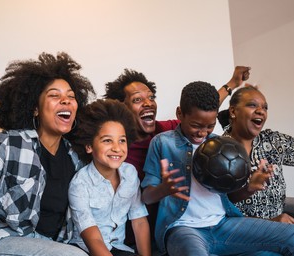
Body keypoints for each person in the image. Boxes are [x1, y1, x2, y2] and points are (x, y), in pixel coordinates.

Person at [0, 52, 96, 256]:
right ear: (35, 109)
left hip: (47, 249)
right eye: (54, 95)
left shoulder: (75, 159)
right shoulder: (10, 143)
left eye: (71, 96)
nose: (66, 101)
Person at [140, 81, 294, 256]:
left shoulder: (222, 146)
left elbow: (228, 198)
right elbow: (146, 197)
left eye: (210, 126)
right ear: (180, 114)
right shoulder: (162, 143)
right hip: (184, 229)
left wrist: (249, 187)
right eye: (196, 125)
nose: (203, 133)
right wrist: (164, 189)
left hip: (223, 224)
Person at [103, 66, 251, 246]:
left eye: (151, 97)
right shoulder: (115, 149)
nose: (148, 103)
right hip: (134, 239)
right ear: (121, 108)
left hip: (175, 230)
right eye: (137, 100)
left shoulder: (165, 133)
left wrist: (231, 84)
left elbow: (199, 113)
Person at [218, 85, 294, 256]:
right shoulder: (218, 151)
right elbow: (219, 210)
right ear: (233, 111)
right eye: (252, 105)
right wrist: (269, 224)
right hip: (247, 232)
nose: (261, 111)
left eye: (265, 107)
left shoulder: (273, 141)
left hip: (283, 218)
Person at [68, 99, 151, 256]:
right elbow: (93, 239)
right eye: (107, 140)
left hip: (118, 248)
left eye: (122, 140)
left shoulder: (130, 173)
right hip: (86, 250)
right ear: (89, 146)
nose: (117, 148)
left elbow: (139, 221)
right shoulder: (80, 184)